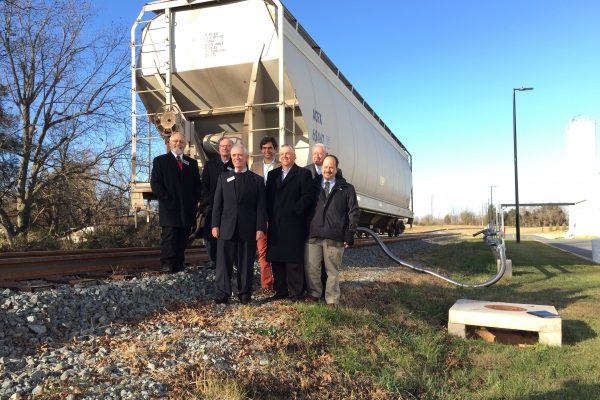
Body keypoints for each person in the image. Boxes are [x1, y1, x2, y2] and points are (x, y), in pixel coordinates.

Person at [211, 144, 267, 304]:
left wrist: (260, 227)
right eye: (234, 155)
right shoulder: (223, 178)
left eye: (240, 155)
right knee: (223, 264)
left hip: (247, 229)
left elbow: (261, 207)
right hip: (226, 228)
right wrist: (215, 225)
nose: (236, 158)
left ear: (246, 157)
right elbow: (217, 204)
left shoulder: (257, 180)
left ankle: (244, 294)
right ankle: (222, 294)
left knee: (245, 263)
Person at [305, 154, 359, 307]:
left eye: (331, 167)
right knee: (312, 268)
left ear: (336, 169)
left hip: (334, 235)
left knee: (332, 271)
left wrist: (349, 233)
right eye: (325, 167)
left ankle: (331, 299)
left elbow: (353, 212)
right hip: (313, 234)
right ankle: (314, 293)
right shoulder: (313, 185)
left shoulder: (347, 188)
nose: (328, 170)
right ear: (321, 168)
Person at [265, 144, 316, 301]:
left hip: (294, 223)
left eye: (288, 154)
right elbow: (267, 197)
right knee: (277, 259)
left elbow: (308, 197)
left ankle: (296, 293)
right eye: (282, 154)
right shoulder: (273, 175)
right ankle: (280, 291)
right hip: (276, 224)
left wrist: (294, 211)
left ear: (294, 156)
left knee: (293, 261)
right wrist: (269, 216)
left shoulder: (303, 174)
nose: (285, 156)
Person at [150, 131, 202, 273]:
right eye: (176, 141)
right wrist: (167, 199)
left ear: (185, 145)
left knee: (183, 236)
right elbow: (156, 184)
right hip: (169, 207)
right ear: (170, 143)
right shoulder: (160, 161)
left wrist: (194, 201)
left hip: (186, 208)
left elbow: (197, 185)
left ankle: (179, 264)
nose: (178, 144)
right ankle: (167, 264)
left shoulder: (191, 163)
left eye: (181, 142)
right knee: (170, 236)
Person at [250, 136, 280, 291]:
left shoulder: (281, 166)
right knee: (262, 251)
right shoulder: (254, 167)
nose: (267, 151)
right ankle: (266, 284)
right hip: (260, 216)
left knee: (276, 250)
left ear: (275, 149)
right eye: (264, 148)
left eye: (270, 148)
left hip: (276, 216)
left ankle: (279, 281)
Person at [201, 137, 234, 268]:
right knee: (211, 232)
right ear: (218, 148)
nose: (225, 148)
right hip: (213, 205)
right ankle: (213, 260)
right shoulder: (210, 164)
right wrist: (209, 200)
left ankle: (229, 259)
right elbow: (204, 184)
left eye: (228, 146)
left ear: (231, 148)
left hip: (230, 207)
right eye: (222, 146)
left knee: (229, 232)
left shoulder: (236, 163)